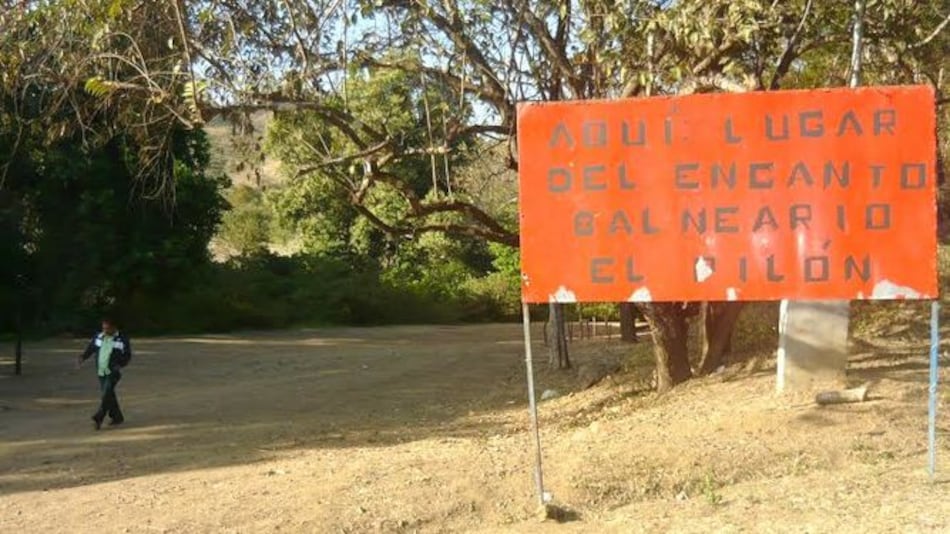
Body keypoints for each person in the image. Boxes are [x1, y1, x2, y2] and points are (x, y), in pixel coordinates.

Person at [77, 317, 132, 430]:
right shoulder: (99, 336)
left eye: (107, 328)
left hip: (113, 372)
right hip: (101, 371)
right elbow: (91, 348)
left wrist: (120, 365)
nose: (105, 330)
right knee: (109, 395)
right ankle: (117, 417)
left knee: (106, 394)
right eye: (104, 328)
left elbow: (127, 356)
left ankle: (98, 417)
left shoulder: (122, 339)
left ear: (114, 328)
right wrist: (83, 357)